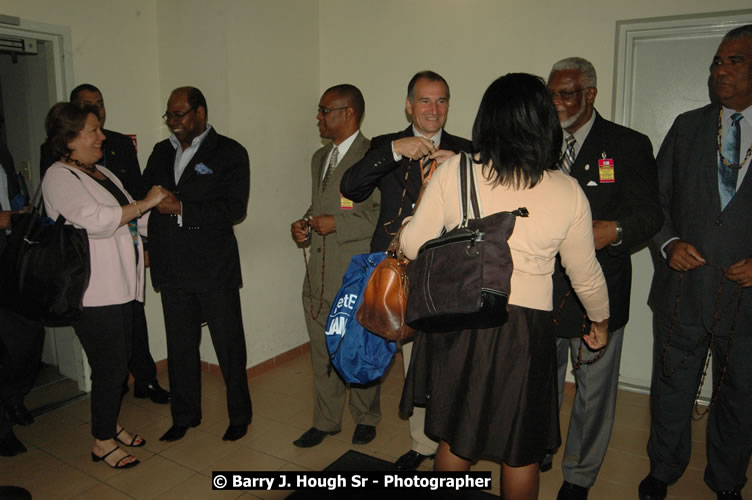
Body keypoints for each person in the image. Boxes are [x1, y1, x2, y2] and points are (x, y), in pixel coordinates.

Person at [398, 73, 610, 500]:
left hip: (461, 319)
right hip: (526, 332)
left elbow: (413, 244)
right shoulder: (567, 191)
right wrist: (600, 321)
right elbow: (584, 272)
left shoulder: (455, 169)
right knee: (520, 450)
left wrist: (409, 223)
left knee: (455, 437)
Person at [640, 25, 752, 500]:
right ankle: (662, 470)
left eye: (735, 61)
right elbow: (654, 202)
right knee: (670, 389)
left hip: (745, 303)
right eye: (717, 62)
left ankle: (726, 480)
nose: (720, 71)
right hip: (683, 292)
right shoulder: (687, 127)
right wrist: (668, 244)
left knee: (741, 397)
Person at [340, 70, 472, 470]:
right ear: (409, 105)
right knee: (395, 352)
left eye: (442, 100)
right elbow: (351, 187)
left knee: (439, 360)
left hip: (446, 272)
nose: (434, 109)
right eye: (425, 101)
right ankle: (411, 436)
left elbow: (492, 200)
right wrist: (396, 150)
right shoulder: (384, 146)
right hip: (394, 271)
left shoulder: (467, 149)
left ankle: (437, 438)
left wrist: (465, 167)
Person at [544, 58, 662, 500]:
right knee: (542, 379)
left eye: (567, 93)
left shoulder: (628, 144)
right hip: (544, 286)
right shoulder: (541, 142)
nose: (557, 103)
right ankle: (541, 445)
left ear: (590, 94)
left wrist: (614, 230)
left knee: (593, 393)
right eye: (552, 94)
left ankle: (578, 475)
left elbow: (651, 213)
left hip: (600, 287)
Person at [42, 102, 167, 469]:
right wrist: (146, 204)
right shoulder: (58, 177)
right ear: (69, 139)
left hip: (124, 286)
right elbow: (97, 221)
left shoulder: (103, 174)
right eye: (93, 131)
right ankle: (101, 441)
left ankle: (109, 424)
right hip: (94, 292)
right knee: (111, 369)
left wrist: (165, 222)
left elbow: (133, 219)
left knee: (118, 363)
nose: (101, 137)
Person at [143, 86, 252, 443]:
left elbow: (234, 208)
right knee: (180, 347)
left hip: (213, 268)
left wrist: (182, 209)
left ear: (200, 113)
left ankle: (239, 415)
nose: (173, 122)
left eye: (180, 114)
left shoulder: (230, 152)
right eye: (169, 115)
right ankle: (185, 415)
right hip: (172, 268)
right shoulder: (161, 152)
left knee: (228, 346)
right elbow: (146, 200)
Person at [290, 84, 381, 448]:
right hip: (319, 273)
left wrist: (336, 224)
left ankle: (366, 416)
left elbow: (378, 217)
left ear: (348, 113)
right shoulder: (319, 158)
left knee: (356, 347)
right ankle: (326, 420)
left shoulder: (373, 156)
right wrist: (305, 225)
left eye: (324, 110)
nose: (319, 116)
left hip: (354, 272)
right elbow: (320, 206)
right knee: (322, 350)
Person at [0, 142, 44, 457]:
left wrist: (23, 213)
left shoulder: (3, 151)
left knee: (28, 333)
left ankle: (13, 399)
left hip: (12, 254)